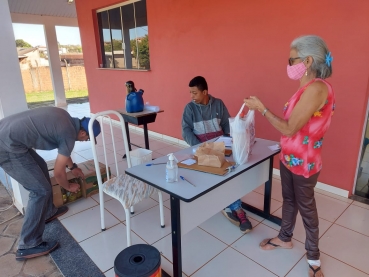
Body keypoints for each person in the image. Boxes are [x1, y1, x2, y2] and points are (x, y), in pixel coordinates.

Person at [244, 35, 335, 277]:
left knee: (306, 207)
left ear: (306, 61)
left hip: (305, 163)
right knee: (289, 200)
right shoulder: (306, 87)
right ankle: (285, 237)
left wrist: (261, 108)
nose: (289, 64)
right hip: (290, 158)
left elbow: (289, 128)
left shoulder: (317, 88)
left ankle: (313, 257)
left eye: (291, 59)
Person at [0, 107, 101, 261]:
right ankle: (28, 244)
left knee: (40, 165)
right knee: (40, 190)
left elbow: (63, 151)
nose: (84, 141)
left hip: (9, 136)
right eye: (87, 139)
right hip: (6, 146)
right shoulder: (68, 135)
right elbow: (59, 173)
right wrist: (69, 187)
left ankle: (47, 212)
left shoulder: (66, 119)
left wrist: (73, 167)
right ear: (82, 133)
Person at [182, 76, 252, 233]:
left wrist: (232, 140)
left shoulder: (218, 104)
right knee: (222, 174)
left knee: (232, 171)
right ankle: (237, 209)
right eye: (190, 93)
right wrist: (201, 146)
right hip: (202, 151)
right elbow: (185, 131)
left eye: (194, 93)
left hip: (221, 147)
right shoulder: (190, 109)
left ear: (205, 92)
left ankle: (231, 203)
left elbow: (227, 125)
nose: (191, 96)